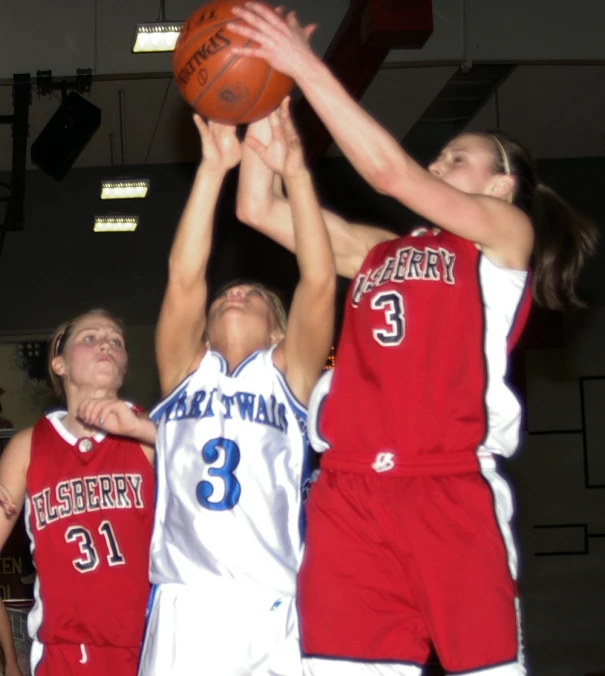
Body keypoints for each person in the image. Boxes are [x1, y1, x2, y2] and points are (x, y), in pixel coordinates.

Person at [230, 6, 599, 676]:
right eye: (439, 153)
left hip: (446, 489)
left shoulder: (503, 239)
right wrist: (267, 108)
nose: (438, 161)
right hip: (347, 492)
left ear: (501, 184)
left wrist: (305, 67)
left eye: (458, 157)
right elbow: (256, 210)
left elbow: (391, 175)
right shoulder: (379, 252)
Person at [83, 100, 335, 675]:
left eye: (250, 295)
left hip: (271, 601)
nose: (231, 295)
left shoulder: (289, 374)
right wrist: (212, 169)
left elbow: (318, 280)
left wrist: (295, 174)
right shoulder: (184, 371)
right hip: (185, 600)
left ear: (279, 326)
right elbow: (185, 275)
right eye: (224, 296)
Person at [0, 309, 155, 676]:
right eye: (90, 337)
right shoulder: (28, 446)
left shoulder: (152, 434)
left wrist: (149, 431)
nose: (106, 344)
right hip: (64, 652)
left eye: (116, 341)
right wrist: (9, 660)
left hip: (149, 642)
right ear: (59, 363)